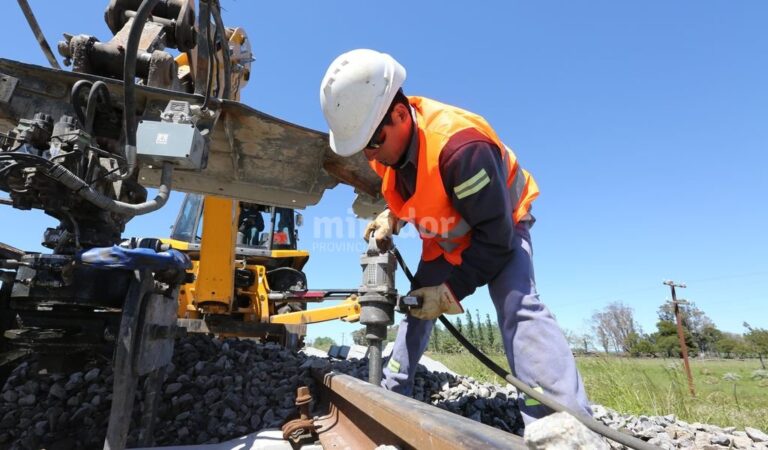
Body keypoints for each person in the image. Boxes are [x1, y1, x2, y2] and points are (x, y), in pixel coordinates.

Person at [319, 49, 591, 425]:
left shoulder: (462, 150)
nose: (370, 154)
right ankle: (392, 390)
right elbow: (413, 187)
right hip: (445, 240)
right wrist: (391, 216)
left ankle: (560, 422)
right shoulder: (384, 147)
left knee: (517, 305)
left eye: (373, 142)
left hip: (501, 227)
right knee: (416, 307)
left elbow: (494, 238)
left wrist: (449, 293)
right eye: (364, 145)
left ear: (399, 115)